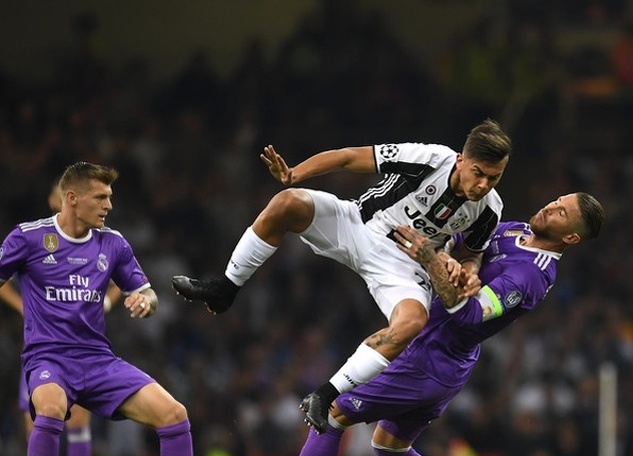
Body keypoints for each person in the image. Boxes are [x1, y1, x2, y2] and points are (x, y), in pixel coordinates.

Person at [239, 192, 605, 456]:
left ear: (570, 237)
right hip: (441, 358)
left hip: (429, 359)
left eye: (561, 212)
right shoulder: (516, 230)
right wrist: (462, 262)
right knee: (390, 446)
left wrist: (431, 258)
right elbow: (469, 243)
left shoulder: (533, 274)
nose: (549, 205)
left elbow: (470, 316)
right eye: (556, 199)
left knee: (332, 413)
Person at [172, 119, 512, 432]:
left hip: (404, 266)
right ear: (461, 160)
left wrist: (466, 271)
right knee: (287, 202)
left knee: (411, 323)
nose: (483, 185)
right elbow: (349, 158)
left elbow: (470, 254)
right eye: (478, 173)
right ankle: (225, 288)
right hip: (358, 225)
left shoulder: (489, 209)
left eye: (493, 178)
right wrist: (294, 174)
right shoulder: (430, 159)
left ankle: (324, 394)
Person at [0, 162, 224, 456]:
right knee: (50, 409)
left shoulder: (113, 243)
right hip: (48, 357)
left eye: (110, 197)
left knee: (174, 413)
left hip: (98, 361)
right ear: (73, 198)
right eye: (100, 197)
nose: (108, 205)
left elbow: (147, 293)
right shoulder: (29, 237)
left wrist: (145, 302)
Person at [0, 182, 122, 456]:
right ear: (60, 201)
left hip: (84, 346)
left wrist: (105, 306)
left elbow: (121, 280)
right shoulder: (34, 240)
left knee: (80, 418)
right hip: (42, 349)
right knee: (38, 420)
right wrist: (24, 306)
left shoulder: (100, 242)